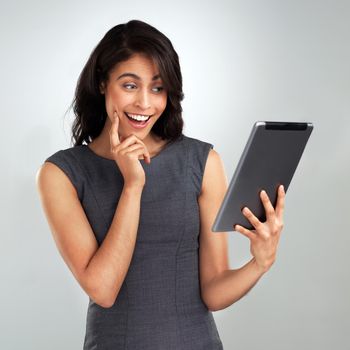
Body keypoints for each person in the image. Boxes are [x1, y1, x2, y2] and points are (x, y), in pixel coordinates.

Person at [36, 19, 285, 350]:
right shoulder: (61, 173)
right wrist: (132, 187)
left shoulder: (202, 162)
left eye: (157, 88)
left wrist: (260, 263)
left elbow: (213, 291)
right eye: (129, 85)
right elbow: (103, 289)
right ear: (101, 83)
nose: (144, 103)